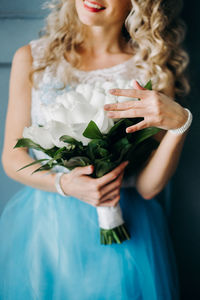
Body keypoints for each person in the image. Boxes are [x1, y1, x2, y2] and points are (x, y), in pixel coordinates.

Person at [0, 0, 192, 299]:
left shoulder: (151, 68)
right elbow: (12, 158)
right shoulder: (32, 58)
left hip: (129, 228)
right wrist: (63, 183)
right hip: (49, 227)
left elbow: (147, 187)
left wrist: (179, 126)